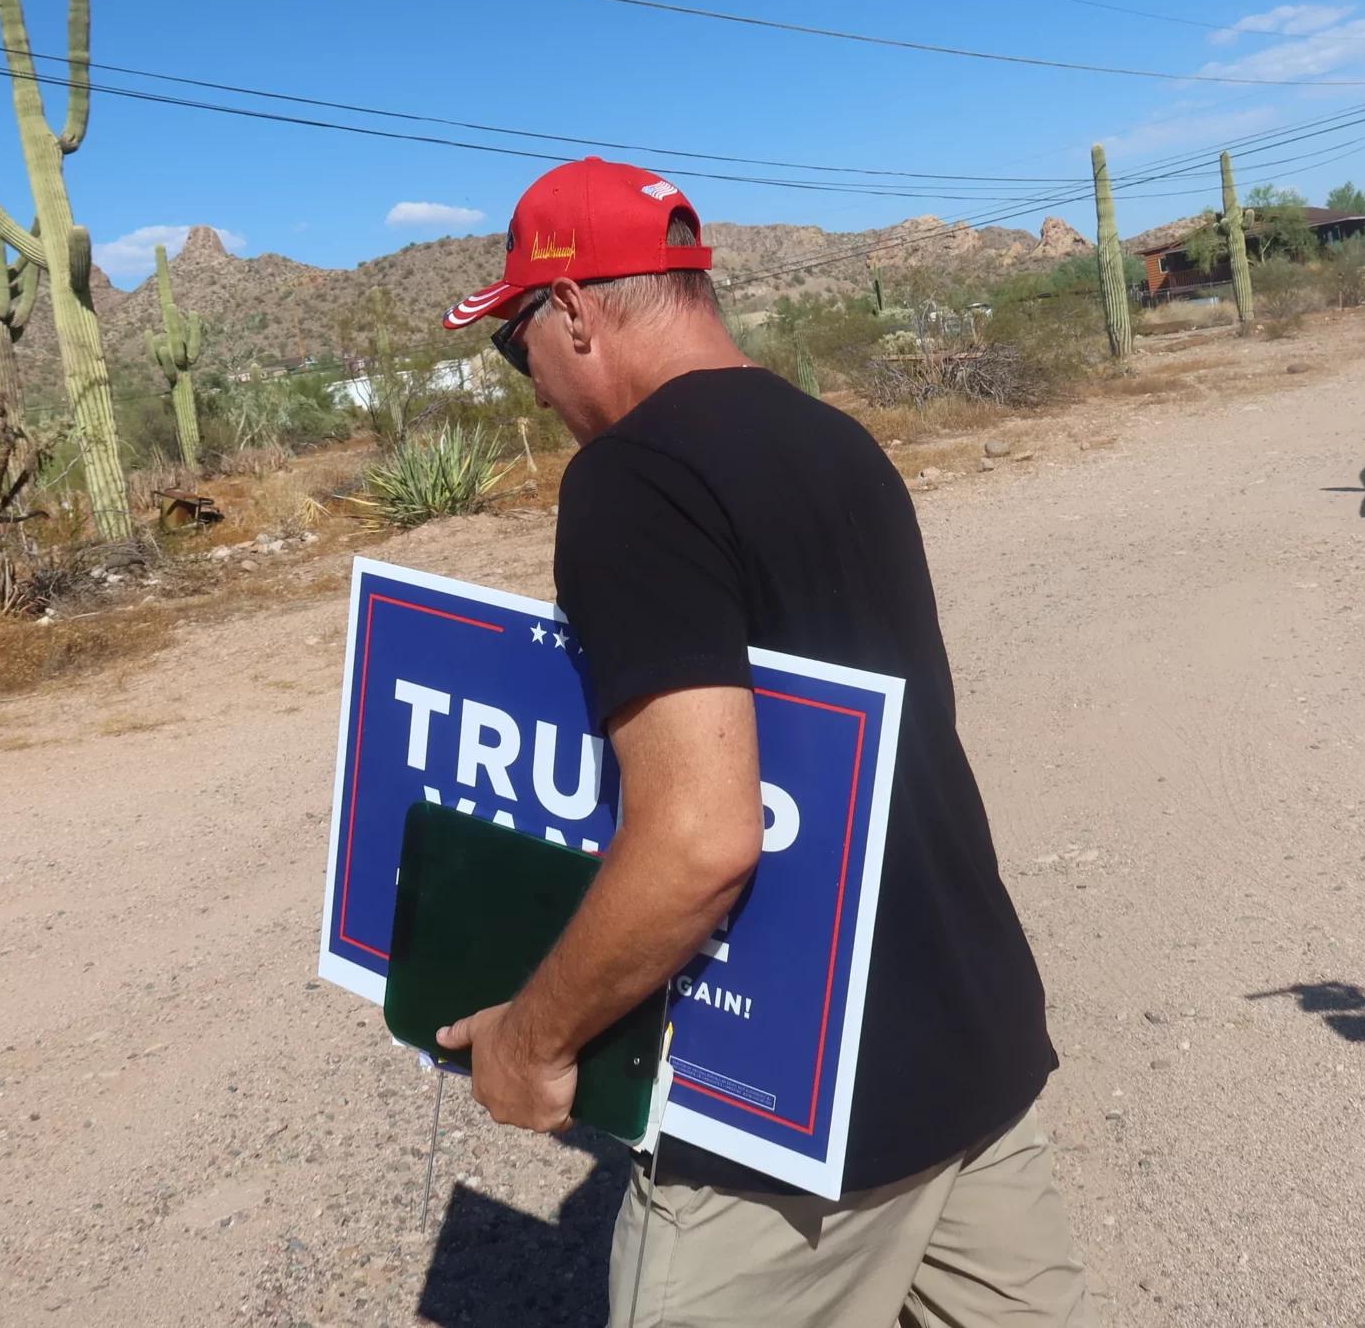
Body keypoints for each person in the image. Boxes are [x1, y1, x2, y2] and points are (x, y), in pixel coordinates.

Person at [432, 158, 1095, 1326]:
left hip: (793, 1123)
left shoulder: (631, 482)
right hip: (971, 1053)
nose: (523, 379)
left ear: (574, 312)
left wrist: (532, 1042)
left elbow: (699, 837)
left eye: (513, 341)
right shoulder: (835, 438)